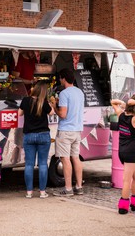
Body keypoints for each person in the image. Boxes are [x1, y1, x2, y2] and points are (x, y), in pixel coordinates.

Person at [50, 68, 85, 197]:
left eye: (60, 78)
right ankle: (79, 187)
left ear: (63, 78)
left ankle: (68, 188)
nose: (59, 80)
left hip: (65, 130)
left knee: (65, 160)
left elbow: (63, 114)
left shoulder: (64, 93)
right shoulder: (80, 92)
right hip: (77, 130)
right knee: (76, 158)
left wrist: (54, 106)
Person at [18, 80, 54, 199]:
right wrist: (51, 103)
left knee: (29, 164)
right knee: (43, 164)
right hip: (43, 135)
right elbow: (52, 113)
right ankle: (42, 192)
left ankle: (29, 192)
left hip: (29, 135)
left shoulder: (25, 100)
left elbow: (19, 114)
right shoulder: (44, 102)